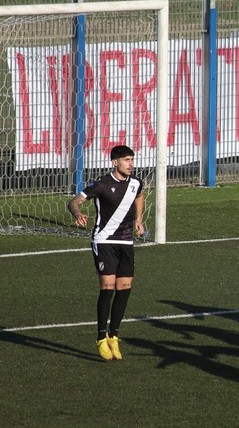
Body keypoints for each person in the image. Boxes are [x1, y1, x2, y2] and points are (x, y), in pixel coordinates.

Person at [67, 145, 145, 361]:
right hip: (104, 242)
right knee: (108, 288)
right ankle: (101, 338)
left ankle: (114, 336)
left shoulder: (136, 182)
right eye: (126, 160)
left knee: (125, 288)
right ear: (114, 162)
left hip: (126, 242)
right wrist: (78, 212)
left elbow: (139, 196)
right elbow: (74, 201)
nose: (131, 164)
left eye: (132, 159)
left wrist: (138, 219)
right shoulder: (101, 184)